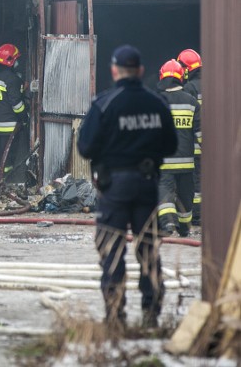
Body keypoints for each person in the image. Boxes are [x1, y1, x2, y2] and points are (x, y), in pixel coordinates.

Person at [77, 45, 177, 333]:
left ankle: (114, 315)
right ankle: (151, 314)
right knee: (149, 251)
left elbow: (85, 147)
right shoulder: (157, 103)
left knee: (112, 249)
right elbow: (170, 145)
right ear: (141, 71)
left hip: (114, 189)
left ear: (114, 70)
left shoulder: (105, 104)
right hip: (147, 186)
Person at [155, 59, 201, 237]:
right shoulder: (191, 102)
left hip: (164, 162)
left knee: (164, 191)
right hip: (187, 163)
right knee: (186, 196)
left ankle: (167, 224)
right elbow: (200, 132)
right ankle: (184, 228)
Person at [0, 43, 28, 182]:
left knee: (1, 153)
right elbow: (16, 104)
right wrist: (25, 117)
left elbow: (4, 96)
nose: (18, 62)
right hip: (10, 125)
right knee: (9, 157)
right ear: (11, 61)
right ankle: (6, 182)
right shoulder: (12, 80)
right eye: (16, 59)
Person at [177, 48, 203, 225]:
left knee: (195, 182)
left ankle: (196, 215)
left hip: (195, 144)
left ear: (186, 69)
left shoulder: (189, 88)